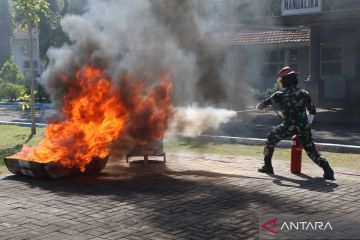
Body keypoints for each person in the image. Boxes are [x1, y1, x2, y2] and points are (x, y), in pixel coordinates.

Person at [256, 66, 335, 180]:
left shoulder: (280, 95)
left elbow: (264, 103)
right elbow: (312, 111)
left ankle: (267, 166)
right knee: (311, 150)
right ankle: (328, 170)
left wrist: (259, 107)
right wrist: (305, 123)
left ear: (284, 81)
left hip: (288, 126)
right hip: (303, 127)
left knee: (271, 138)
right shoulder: (304, 93)